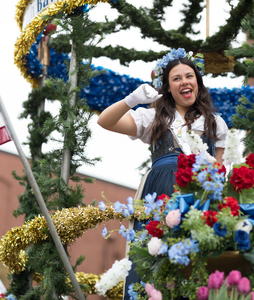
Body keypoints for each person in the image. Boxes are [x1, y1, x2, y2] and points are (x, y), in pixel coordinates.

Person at [97, 48, 228, 299]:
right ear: (168, 87)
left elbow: (220, 173)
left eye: (189, 76)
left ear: (198, 82)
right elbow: (105, 121)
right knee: (153, 264)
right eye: (176, 78)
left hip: (199, 198)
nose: (184, 82)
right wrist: (132, 100)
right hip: (159, 194)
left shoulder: (215, 123)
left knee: (195, 269)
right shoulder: (154, 118)